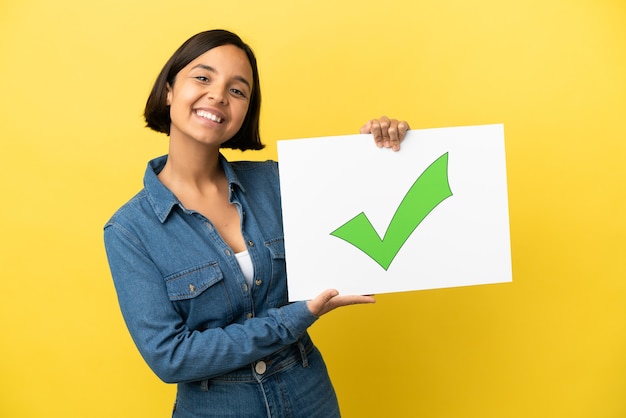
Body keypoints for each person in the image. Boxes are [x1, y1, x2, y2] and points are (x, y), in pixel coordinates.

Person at [103, 29, 410, 418]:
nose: (217, 95)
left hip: (309, 396)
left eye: (238, 90)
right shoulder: (130, 230)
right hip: (216, 408)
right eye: (203, 77)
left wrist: (381, 152)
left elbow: (368, 213)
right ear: (168, 89)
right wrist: (296, 317)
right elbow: (171, 358)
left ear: (246, 109)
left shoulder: (277, 183)